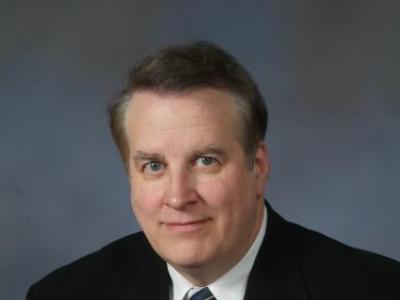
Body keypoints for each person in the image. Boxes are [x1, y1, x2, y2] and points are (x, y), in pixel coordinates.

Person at [27, 41, 399, 300]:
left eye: (205, 160)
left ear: (258, 168)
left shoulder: (376, 290)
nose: (178, 196)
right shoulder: (64, 294)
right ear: (130, 176)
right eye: (153, 166)